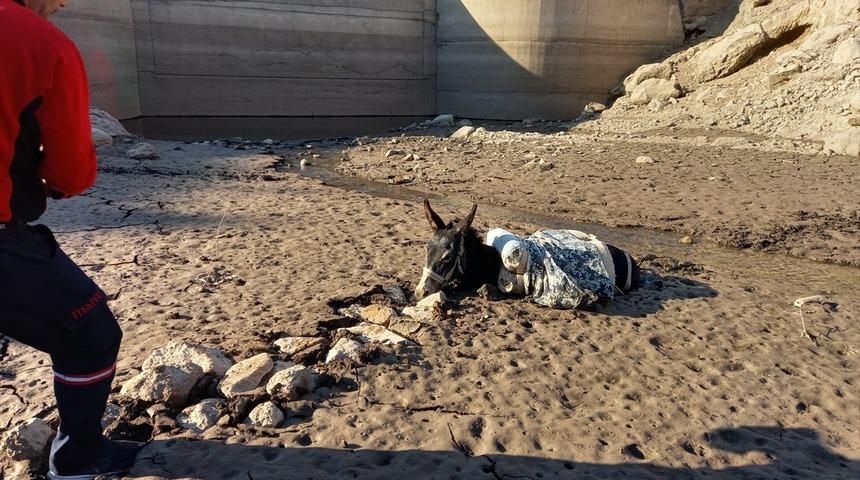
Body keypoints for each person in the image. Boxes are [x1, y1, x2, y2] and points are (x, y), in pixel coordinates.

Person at [0, 1, 142, 478]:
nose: (64, 5)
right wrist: (48, 181)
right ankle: (78, 460)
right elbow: (71, 171)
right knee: (92, 334)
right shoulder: (42, 42)